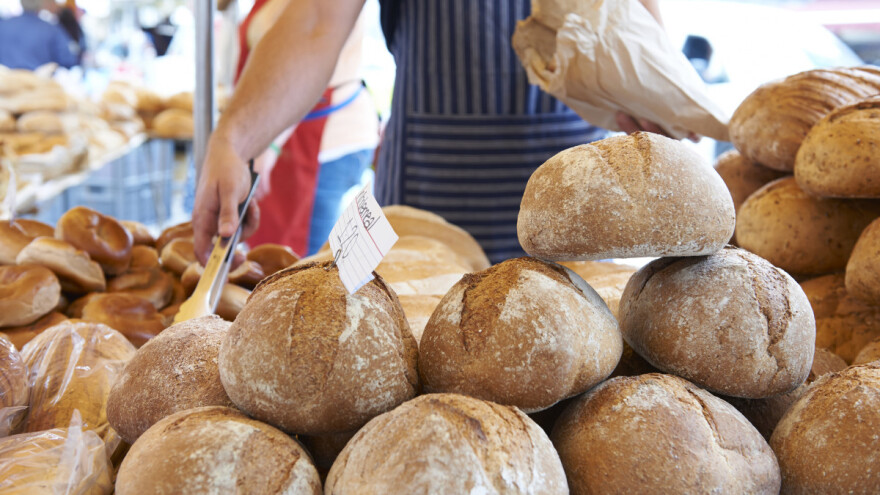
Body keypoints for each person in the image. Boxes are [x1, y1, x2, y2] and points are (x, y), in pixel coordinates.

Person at [193, 0, 670, 266]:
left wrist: (652, 88)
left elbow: (636, 20)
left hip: (573, 185)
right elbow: (318, 20)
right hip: (429, 184)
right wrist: (234, 139)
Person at [235, 0, 378, 256]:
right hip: (285, 133)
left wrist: (268, 142)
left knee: (306, 268)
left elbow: (311, 62)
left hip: (325, 137)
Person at [0, 0, 79, 70]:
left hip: (4, 82)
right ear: (41, 4)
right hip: (38, 83)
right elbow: (68, 60)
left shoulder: (3, 25)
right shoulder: (51, 29)